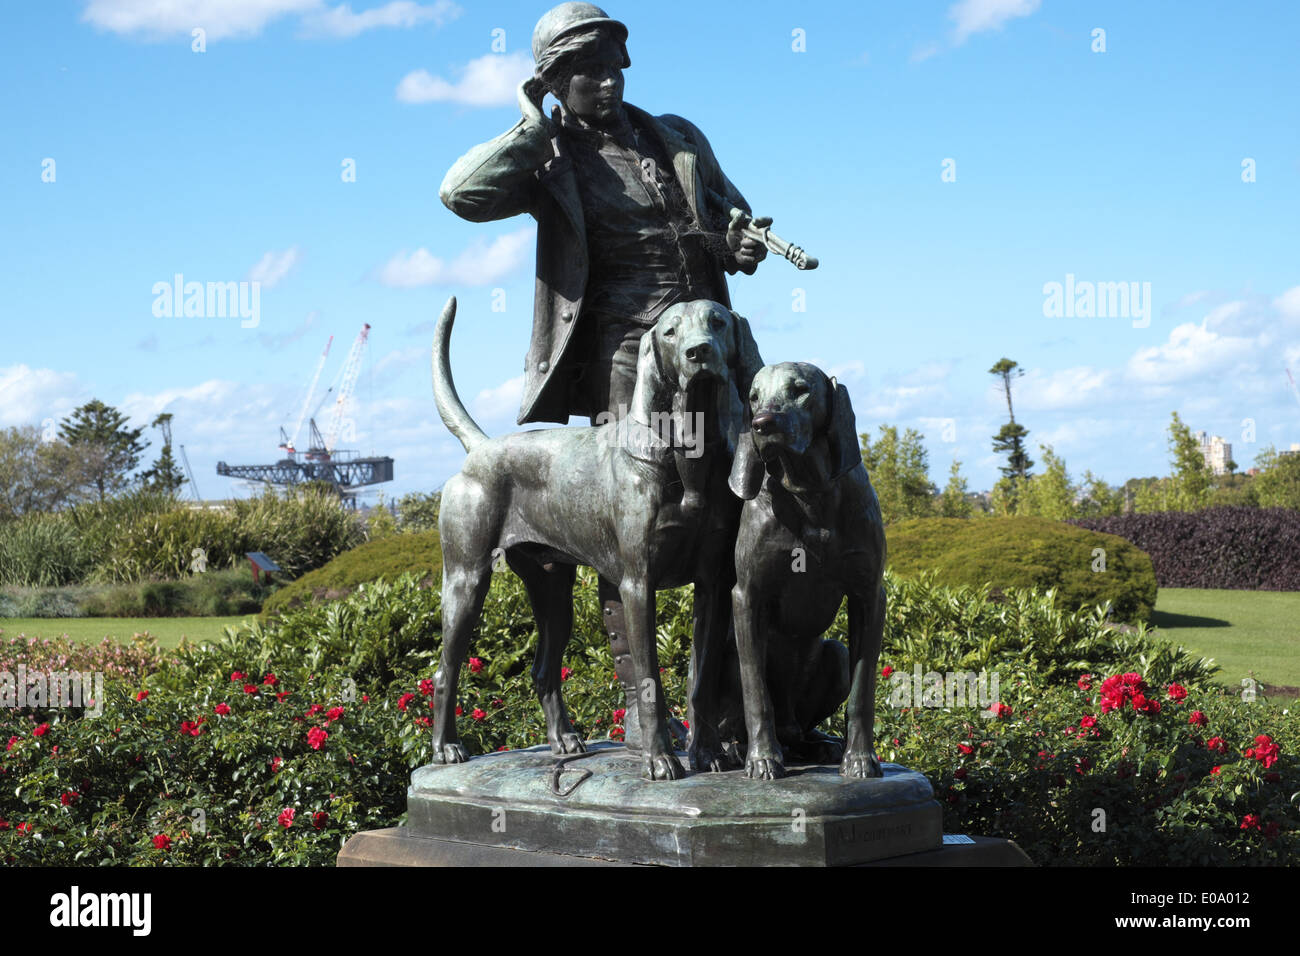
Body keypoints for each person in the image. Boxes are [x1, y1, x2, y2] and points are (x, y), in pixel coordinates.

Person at [439, 2, 768, 748]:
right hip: (628, 366)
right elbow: (460, 193)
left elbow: (730, 219)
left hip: (708, 349)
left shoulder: (676, 137)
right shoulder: (547, 154)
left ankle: (720, 709)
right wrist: (530, 125)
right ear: (553, 82)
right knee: (643, 532)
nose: (607, 82)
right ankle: (643, 709)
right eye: (586, 72)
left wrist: (741, 242)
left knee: (730, 511)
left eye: (615, 66)